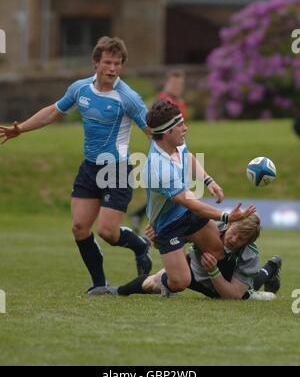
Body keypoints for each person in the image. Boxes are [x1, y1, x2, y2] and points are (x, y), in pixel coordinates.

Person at [0, 36, 152, 295]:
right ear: (95, 62)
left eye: (117, 63)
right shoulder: (80, 89)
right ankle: (100, 284)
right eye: (107, 62)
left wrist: (169, 160)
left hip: (116, 170)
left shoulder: (129, 98)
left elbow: (152, 132)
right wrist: (20, 129)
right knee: (79, 227)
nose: (112, 68)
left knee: (107, 232)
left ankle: (139, 245)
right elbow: (53, 112)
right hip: (90, 168)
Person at [136, 100, 256, 295]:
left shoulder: (175, 142)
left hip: (187, 212)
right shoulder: (158, 167)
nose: (186, 128)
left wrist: (209, 181)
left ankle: (231, 288)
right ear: (167, 132)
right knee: (180, 282)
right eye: (180, 125)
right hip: (168, 223)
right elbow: (190, 203)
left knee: (217, 251)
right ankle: (154, 281)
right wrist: (226, 217)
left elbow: (188, 157)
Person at [100, 214, 282, 301]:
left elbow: (232, 295)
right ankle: (117, 291)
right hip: (192, 269)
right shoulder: (209, 228)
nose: (234, 239)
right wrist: (157, 239)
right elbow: (171, 243)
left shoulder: (250, 255)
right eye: (234, 232)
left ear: (248, 241)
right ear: (231, 223)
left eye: (241, 239)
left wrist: (214, 271)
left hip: (222, 284)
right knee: (151, 284)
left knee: (246, 290)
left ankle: (271, 266)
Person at [130, 70, 187, 233]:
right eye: (174, 84)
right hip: (165, 155)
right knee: (169, 191)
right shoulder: (162, 102)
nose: (177, 87)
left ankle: (142, 217)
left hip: (178, 151)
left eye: (180, 84)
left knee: (172, 192)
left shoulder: (180, 103)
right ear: (167, 84)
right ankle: (152, 223)